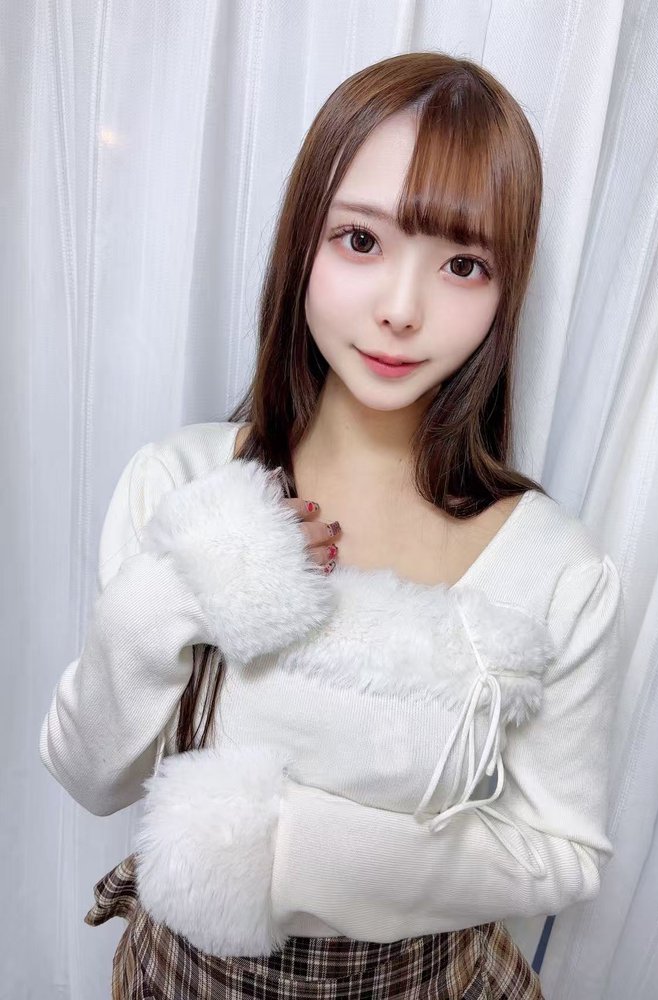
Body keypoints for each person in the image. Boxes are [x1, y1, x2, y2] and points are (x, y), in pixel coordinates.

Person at [40, 51, 624, 1000]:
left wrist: (282, 850)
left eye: (463, 264)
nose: (401, 309)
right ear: (302, 238)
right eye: (361, 241)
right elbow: (89, 775)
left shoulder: (555, 567)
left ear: (505, 289)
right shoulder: (183, 483)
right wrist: (176, 592)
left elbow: (563, 851)